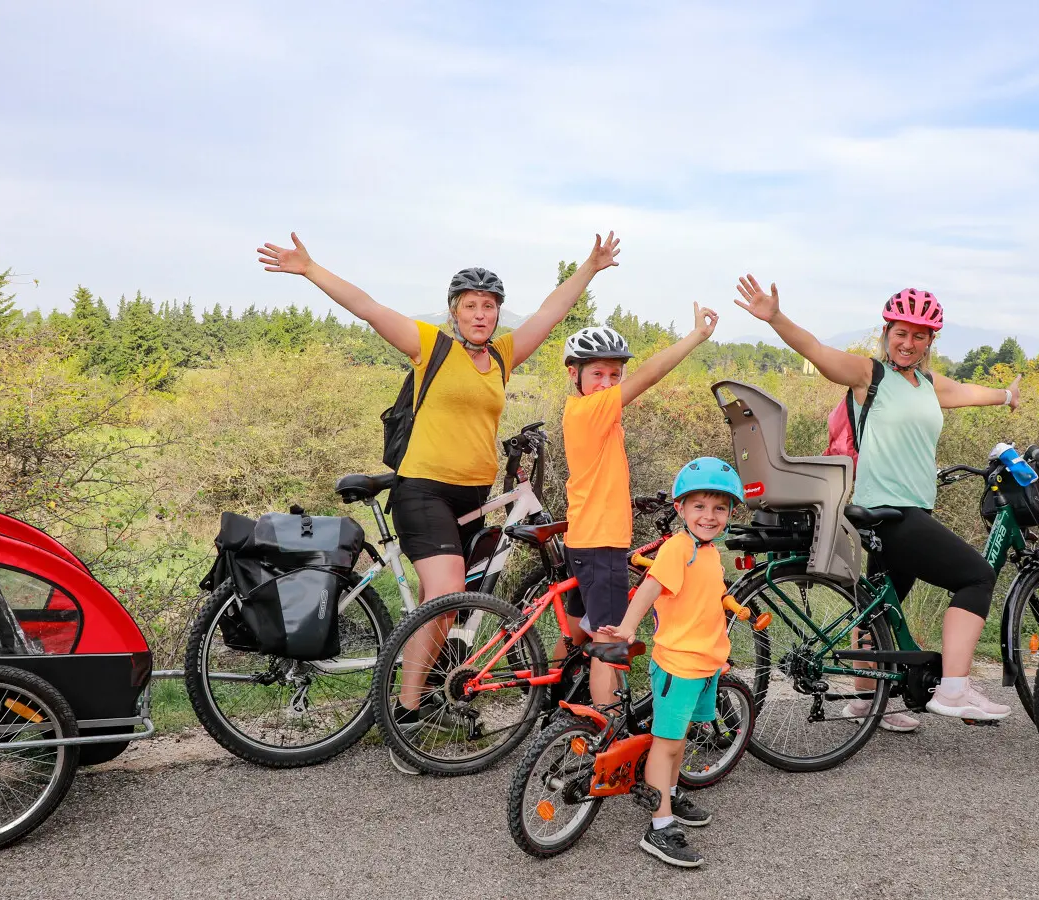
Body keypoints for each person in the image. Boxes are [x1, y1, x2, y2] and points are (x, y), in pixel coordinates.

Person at [256, 230, 622, 774]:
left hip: (473, 493)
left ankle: (434, 692)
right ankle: (406, 717)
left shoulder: (502, 355)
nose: (481, 314)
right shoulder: (433, 345)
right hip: (422, 487)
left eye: (489, 306)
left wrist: (589, 268)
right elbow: (369, 308)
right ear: (455, 311)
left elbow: (550, 310)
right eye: (471, 306)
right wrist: (311, 269)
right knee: (448, 588)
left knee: (458, 601)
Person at [735, 277, 1020, 726]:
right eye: (901, 333)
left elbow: (968, 393)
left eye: (919, 335)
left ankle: (867, 700)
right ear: (886, 332)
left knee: (881, 605)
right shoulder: (872, 376)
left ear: (930, 341)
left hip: (906, 509)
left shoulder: (927, 384)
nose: (908, 343)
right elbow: (815, 350)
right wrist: (774, 317)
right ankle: (954, 688)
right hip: (890, 511)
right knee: (977, 577)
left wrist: (1006, 396)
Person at [561, 307, 719, 711]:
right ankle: (605, 730)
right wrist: (695, 337)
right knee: (608, 641)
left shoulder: (590, 415)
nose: (608, 383)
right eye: (597, 373)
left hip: (585, 539)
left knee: (583, 629)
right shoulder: (590, 410)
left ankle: (556, 698)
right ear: (573, 375)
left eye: (615, 375)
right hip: (601, 544)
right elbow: (650, 375)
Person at [599, 457, 742, 869]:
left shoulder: (710, 552)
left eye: (719, 508)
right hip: (677, 665)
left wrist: (720, 646)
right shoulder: (678, 549)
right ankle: (659, 828)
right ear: (680, 509)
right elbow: (649, 589)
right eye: (699, 506)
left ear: (731, 513)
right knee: (667, 744)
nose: (709, 516)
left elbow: (705, 601)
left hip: (703, 663)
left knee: (680, 741)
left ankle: (671, 792)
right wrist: (627, 629)